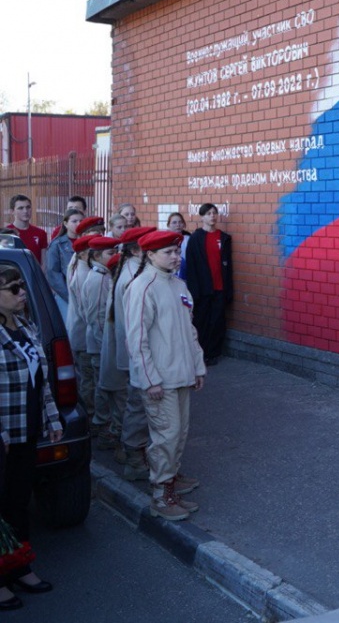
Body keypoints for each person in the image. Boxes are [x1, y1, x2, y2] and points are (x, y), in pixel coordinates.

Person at [125, 230, 206, 520]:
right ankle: (161, 495)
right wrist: (150, 379)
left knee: (178, 433)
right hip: (160, 378)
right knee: (165, 436)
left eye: (176, 251)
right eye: (168, 252)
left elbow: (190, 330)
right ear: (149, 255)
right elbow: (137, 339)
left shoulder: (179, 284)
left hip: (181, 373)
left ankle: (171, 480)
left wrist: (197, 367)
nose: (175, 257)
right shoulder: (143, 286)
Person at [0, 264, 61, 607]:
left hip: (27, 430)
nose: (22, 293)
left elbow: (43, 381)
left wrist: (52, 419)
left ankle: (19, 567)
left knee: (18, 503)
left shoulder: (26, 326)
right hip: (4, 436)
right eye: (13, 288)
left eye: (22, 286)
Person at [111, 226, 156, 481]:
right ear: (139, 248)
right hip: (136, 352)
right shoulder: (132, 275)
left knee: (137, 404)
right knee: (138, 407)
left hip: (132, 350)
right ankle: (134, 459)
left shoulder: (130, 269)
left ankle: (137, 455)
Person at [81, 236, 120, 450]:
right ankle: (102, 426)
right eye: (109, 253)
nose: (114, 256)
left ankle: (102, 423)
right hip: (100, 345)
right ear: (96, 256)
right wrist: (106, 348)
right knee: (103, 386)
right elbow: (97, 317)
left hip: (102, 343)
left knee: (104, 385)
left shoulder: (104, 274)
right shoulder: (98, 278)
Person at [184, 204, 232, 366]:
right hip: (203, 288)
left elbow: (228, 265)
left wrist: (229, 289)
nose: (212, 216)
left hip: (219, 287)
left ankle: (213, 353)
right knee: (201, 321)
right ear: (202, 217)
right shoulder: (196, 238)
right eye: (208, 213)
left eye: (214, 213)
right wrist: (194, 290)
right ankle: (200, 353)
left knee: (217, 321)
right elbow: (192, 265)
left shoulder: (224, 237)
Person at [66, 234, 97, 422]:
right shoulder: (84, 274)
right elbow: (87, 312)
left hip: (80, 333)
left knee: (87, 378)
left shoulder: (78, 264)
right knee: (88, 380)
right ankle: (89, 416)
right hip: (84, 336)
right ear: (85, 253)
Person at [44, 208, 84, 323]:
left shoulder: (87, 242)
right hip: (66, 295)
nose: (78, 224)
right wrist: (68, 295)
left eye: (81, 221)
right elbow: (53, 273)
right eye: (74, 221)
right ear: (66, 223)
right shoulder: (57, 244)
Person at [5, 196, 47, 264]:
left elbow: (44, 264)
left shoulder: (41, 233)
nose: (25, 211)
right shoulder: (5, 234)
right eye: (20, 208)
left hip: (34, 274)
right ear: (12, 211)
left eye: (28, 207)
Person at [167, 212, 189, 279]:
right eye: (174, 222)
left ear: (183, 224)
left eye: (180, 222)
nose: (178, 225)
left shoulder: (188, 240)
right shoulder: (164, 241)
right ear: (168, 225)